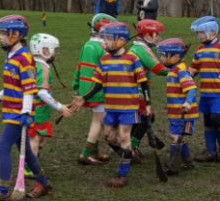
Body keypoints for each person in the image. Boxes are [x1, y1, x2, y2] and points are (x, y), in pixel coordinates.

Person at [0, 15, 52, 201]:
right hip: (12, 109)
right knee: (26, 151)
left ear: (16, 34)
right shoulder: (11, 56)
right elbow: (15, 85)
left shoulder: (24, 59)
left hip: (19, 113)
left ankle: (2, 189)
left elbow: (29, 88)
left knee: (3, 146)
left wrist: (26, 113)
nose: (0, 37)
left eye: (4, 33)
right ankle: (43, 182)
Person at [91, 22, 151, 188]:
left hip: (128, 107)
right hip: (110, 107)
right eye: (105, 38)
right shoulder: (104, 60)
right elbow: (97, 84)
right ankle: (129, 154)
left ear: (121, 40)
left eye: (109, 38)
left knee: (124, 137)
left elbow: (143, 83)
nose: (106, 42)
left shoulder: (132, 59)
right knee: (109, 137)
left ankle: (122, 175)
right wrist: (83, 97)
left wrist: (147, 103)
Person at [70, 14, 117, 165]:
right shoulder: (103, 49)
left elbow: (79, 67)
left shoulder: (87, 45)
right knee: (98, 122)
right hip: (99, 91)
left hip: (86, 90)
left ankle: (94, 152)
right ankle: (85, 153)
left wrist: (76, 85)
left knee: (97, 119)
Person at [189, 16, 220, 164]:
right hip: (205, 93)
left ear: (212, 32)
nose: (198, 36)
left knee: (217, 119)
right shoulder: (200, 50)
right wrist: (184, 73)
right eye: (197, 33)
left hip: (219, 94)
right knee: (208, 122)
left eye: (200, 33)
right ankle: (210, 151)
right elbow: (194, 68)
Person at [26, 33, 74, 162]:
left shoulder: (31, 63)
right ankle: (30, 166)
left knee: (41, 137)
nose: (55, 53)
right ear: (45, 50)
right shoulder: (43, 68)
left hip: (35, 108)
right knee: (35, 138)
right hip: (37, 110)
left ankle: (31, 156)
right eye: (54, 50)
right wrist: (60, 107)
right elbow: (42, 93)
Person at [127, 19, 170, 158]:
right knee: (147, 117)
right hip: (137, 90)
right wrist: (178, 70)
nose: (158, 37)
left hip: (136, 89)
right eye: (156, 34)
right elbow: (159, 69)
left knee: (140, 117)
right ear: (147, 35)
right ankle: (132, 146)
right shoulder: (140, 50)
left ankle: (130, 143)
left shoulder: (138, 48)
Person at [156, 38, 199, 175]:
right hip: (175, 113)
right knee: (179, 138)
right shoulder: (173, 69)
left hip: (185, 114)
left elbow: (191, 88)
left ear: (175, 56)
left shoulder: (180, 70)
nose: (161, 58)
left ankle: (172, 165)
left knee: (177, 137)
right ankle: (187, 161)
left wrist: (187, 102)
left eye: (164, 55)